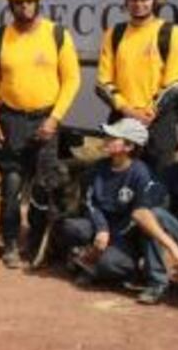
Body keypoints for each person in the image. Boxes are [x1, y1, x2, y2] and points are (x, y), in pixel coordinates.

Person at [0, 0, 80, 268]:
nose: (24, 6)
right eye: (18, 2)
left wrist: (55, 119)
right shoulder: (0, 37)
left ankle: (37, 244)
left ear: (38, 1)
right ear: (11, 4)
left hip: (45, 121)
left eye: (29, 1)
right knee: (11, 187)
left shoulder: (57, 34)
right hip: (11, 121)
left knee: (43, 188)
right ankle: (11, 244)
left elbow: (72, 80)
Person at [96, 0, 178, 173]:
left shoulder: (171, 33)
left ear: (156, 0)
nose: (138, 3)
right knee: (118, 180)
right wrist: (128, 110)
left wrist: (148, 113)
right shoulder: (114, 33)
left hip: (158, 123)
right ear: (126, 0)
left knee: (159, 184)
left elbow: (174, 83)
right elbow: (102, 82)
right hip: (121, 119)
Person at [58, 119, 160, 294]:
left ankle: (91, 265)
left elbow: (140, 217)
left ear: (129, 147)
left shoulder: (142, 174)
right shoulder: (100, 167)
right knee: (72, 227)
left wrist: (109, 239)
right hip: (101, 229)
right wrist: (101, 229)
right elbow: (91, 203)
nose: (106, 139)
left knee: (110, 263)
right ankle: (88, 261)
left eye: (113, 137)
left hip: (124, 238)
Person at [135, 124, 178, 304]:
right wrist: (176, 251)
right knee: (154, 216)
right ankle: (157, 283)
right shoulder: (170, 172)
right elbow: (141, 213)